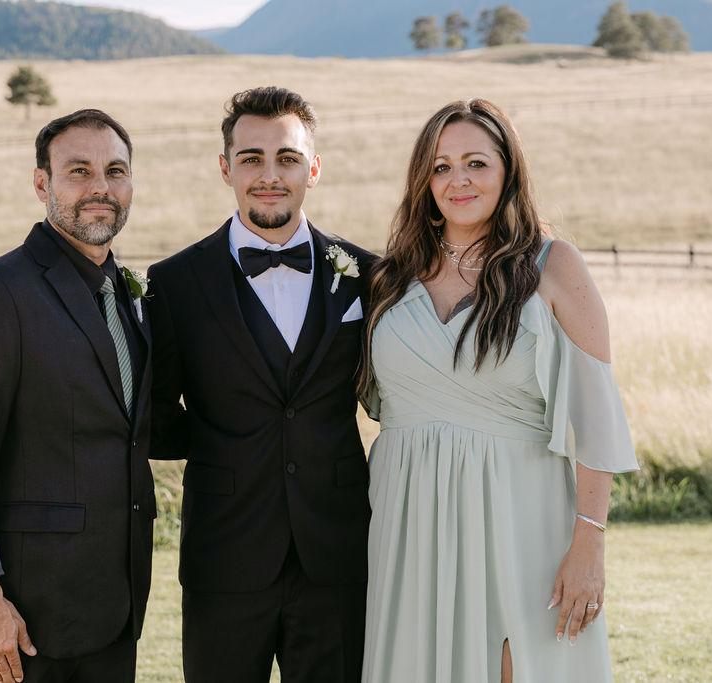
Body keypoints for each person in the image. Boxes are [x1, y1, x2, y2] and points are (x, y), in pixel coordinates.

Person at [358, 98, 638, 682]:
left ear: (508, 170)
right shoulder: (390, 277)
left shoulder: (553, 266)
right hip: (408, 515)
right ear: (423, 180)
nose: (458, 180)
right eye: (440, 166)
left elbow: (597, 416)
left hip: (521, 513)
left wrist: (590, 544)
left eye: (476, 163)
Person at [147, 86, 376, 683]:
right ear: (226, 168)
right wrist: (226, 440)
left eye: (287, 158)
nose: (269, 175)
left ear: (313, 169)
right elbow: (153, 413)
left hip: (339, 551)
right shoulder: (174, 282)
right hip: (224, 553)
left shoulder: (367, 275)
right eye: (251, 158)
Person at [0, 108, 156, 683]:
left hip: (111, 610)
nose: (100, 187)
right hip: (20, 620)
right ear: (41, 183)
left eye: (115, 170)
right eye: (78, 170)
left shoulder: (125, 296)